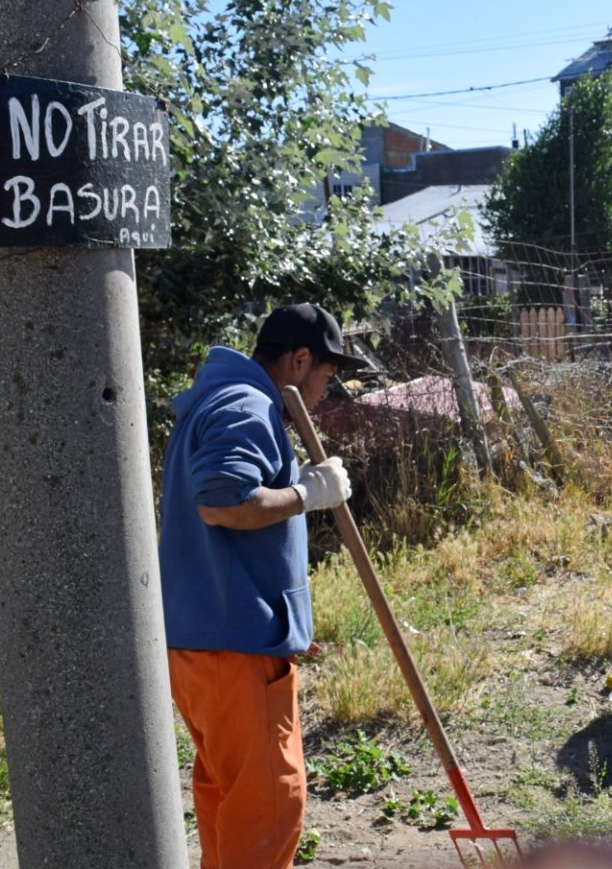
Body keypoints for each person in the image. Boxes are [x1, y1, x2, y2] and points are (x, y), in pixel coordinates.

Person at [157, 303, 367, 869]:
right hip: (235, 643)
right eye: (326, 375)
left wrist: (299, 487)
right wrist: (307, 495)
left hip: (198, 639)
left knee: (226, 792)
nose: (327, 391)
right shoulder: (248, 403)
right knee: (269, 803)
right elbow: (221, 503)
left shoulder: (218, 397)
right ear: (300, 360)